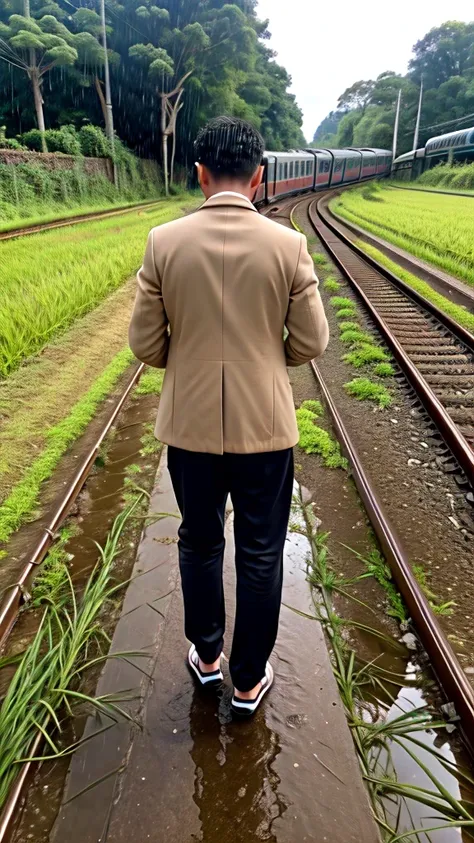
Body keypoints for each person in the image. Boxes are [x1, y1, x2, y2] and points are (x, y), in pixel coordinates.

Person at [129, 116, 329, 716]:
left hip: (189, 429)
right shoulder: (288, 246)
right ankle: (248, 683)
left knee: (198, 541)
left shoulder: (164, 241)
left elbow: (144, 344)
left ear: (200, 174)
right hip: (265, 430)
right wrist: (270, 359)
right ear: (260, 176)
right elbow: (312, 342)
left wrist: (186, 360)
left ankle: (207, 658)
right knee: (262, 551)